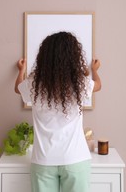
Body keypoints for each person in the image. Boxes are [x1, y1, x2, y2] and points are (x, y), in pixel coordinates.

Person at [15, 31, 101, 192]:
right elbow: (98, 85)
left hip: (43, 161)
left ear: (44, 57)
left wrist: (21, 70)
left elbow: (17, 88)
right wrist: (94, 69)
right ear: (74, 56)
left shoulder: (34, 84)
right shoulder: (80, 83)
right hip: (75, 160)